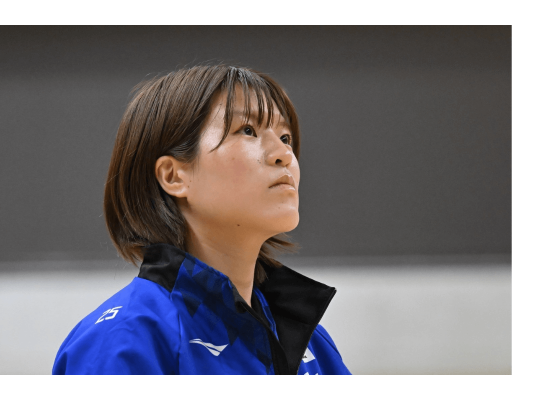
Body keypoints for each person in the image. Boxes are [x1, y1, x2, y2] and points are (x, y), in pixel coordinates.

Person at [52, 64, 351, 375]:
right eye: (248, 130)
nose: (284, 154)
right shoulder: (122, 341)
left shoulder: (313, 346)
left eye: (285, 137)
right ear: (173, 176)